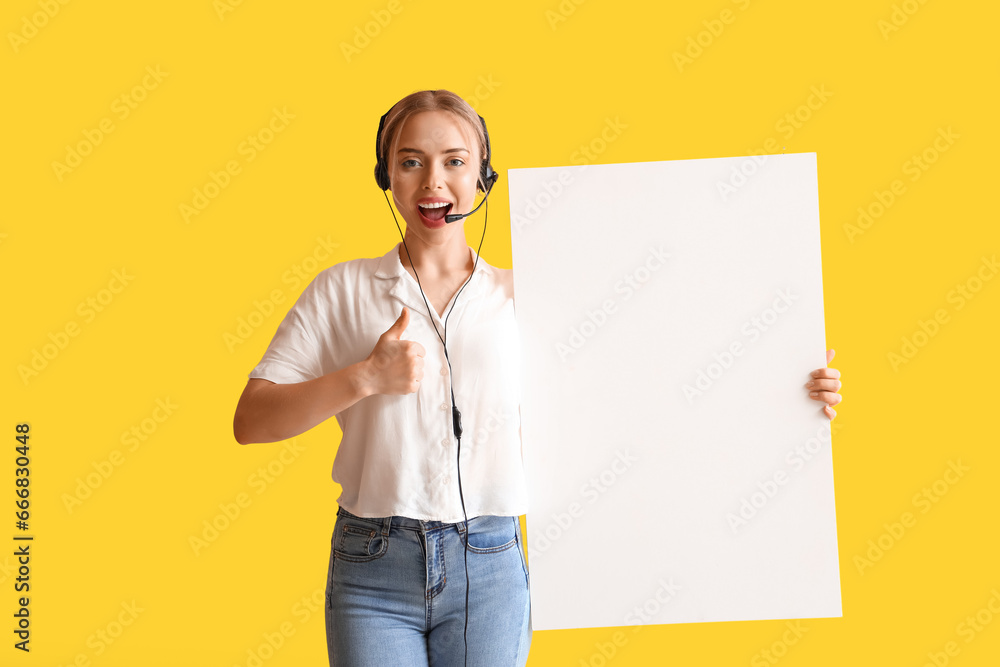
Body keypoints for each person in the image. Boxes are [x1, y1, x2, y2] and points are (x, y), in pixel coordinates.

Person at [231, 89, 844, 667]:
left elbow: (661, 381)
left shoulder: (532, 295)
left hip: (491, 562)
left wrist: (786, 386)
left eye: (454, 161)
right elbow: (251, 421)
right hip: (373, 566)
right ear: (385, 175)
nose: (433, 182)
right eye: (410, 161)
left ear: (482, 177)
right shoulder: (341, 289)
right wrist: (363, 379)